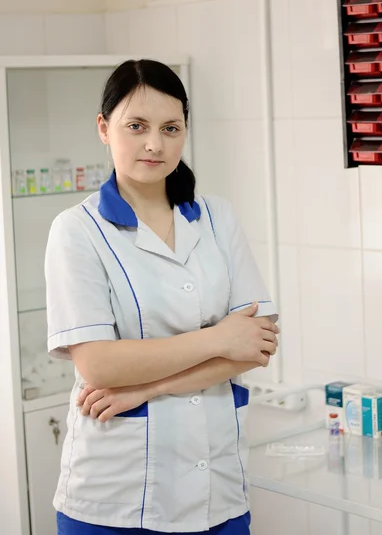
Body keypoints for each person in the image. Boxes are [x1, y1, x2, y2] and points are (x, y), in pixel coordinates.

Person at [45, 59, 279, 535]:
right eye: (136, 126)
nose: (155, 143)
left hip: (218, 489)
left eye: (171, 128)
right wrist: (219, 339)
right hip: (116, 496)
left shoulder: (216, 218)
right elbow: (99, 366)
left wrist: (150, 387)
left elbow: (256, 344)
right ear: (103, 128)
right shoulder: (78, 230)